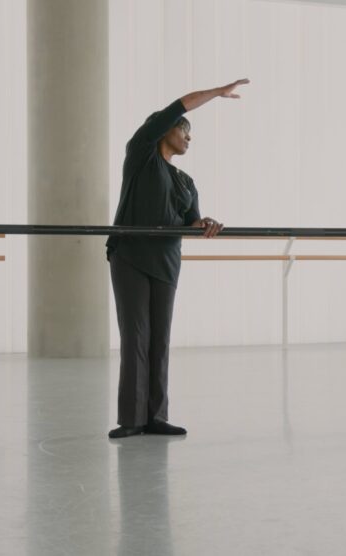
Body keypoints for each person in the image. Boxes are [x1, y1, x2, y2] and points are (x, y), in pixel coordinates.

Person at [106, 78, 249, 438]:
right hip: (132, 257)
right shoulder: (141, 155)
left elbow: (192, 222)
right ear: (164, 130)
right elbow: (178, 105)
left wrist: (207, 224)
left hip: (167, 260)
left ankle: (155, 416)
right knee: (136, 336)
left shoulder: (186, 181)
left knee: (160, 339)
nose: (189, 138)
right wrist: (216, 93)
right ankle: (132, 420)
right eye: (183, 131)